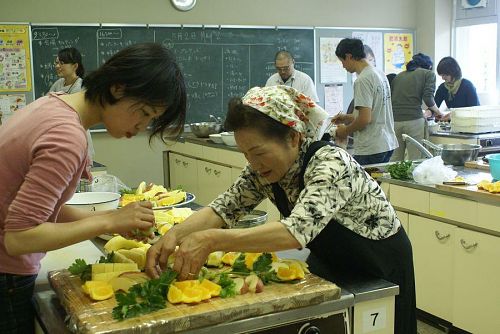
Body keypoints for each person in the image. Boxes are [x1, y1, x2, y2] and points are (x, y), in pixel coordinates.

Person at [146, 85, 417, 334]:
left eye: (259, 152)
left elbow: (295, 232)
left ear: (293, 137)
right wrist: (173, 236)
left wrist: (212, 240)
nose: (254, 163)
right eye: (246, 155)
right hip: (332, 260)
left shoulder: (330, 164)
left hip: (379, 267)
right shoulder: (261, 171)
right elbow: (223, 209)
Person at [0, 43, 187, 333]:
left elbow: (45, 210)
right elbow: (19, 238)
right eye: (145, 113)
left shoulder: (53, 104)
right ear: (118, 88)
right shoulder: (66, 137)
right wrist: (108, 219)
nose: (142, 126)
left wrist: (111, 225)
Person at [332, 38, 398, 165]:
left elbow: (365, 119)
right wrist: (347, 117)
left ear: (349, 56)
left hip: (371, 147)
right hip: (386, 144)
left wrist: (344, 131)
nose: (343, 66)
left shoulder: (362, 80)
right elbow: (374, 114)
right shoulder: (379, 73)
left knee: (363, 184)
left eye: (342, 61)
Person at [390, 53, 444, 161]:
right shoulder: (428, 74)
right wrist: (439, 112)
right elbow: (428, 98)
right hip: (414, 120)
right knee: (416, 158)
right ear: (429, 66)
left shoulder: (399, 76)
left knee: (396, 158)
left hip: (395, 121)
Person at [48, 47, 95, 165]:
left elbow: (73, 113)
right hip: (60, 134)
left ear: (75, 66)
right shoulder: (58, 83)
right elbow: (47, 104)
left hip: (76, 135)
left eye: (62, 63)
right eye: (57, 62)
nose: (57, 66)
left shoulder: (81, 86)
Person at [434, 56, 480, 121]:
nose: (443, 78)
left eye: (445, 75)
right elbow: (434, 105)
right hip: (453, 124)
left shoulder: (468, 86)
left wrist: (453, 115)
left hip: (469, 123)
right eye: (442, 75)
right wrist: (437, 114)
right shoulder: (442, 88)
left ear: (453, 72)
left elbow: (475, 110)